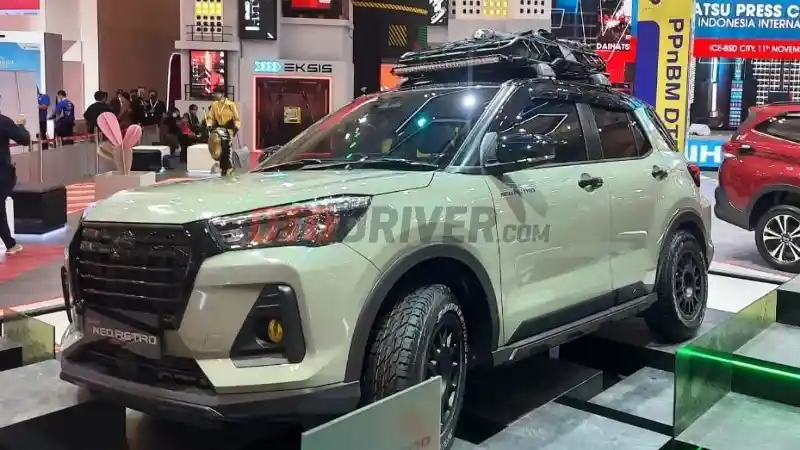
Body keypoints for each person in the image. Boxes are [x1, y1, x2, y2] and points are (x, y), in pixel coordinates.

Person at [0, 113, 31, 255]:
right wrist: (21, 126)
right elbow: (24, 139)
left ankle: (9, 243)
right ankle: (10, 244)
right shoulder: (3, 121)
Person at [206, 86, 240, 176]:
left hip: (228, 131)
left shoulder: (231, 104)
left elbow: (236, 118)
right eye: (214, 93)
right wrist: (209, 124)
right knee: (220, 151)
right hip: (218, 131)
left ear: (222, 94)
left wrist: (236, 127)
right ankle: (224, 170)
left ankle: (230, 169)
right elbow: (210, 117)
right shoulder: (214, 105)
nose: (214, 95)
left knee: (228, 150)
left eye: (216, 93)